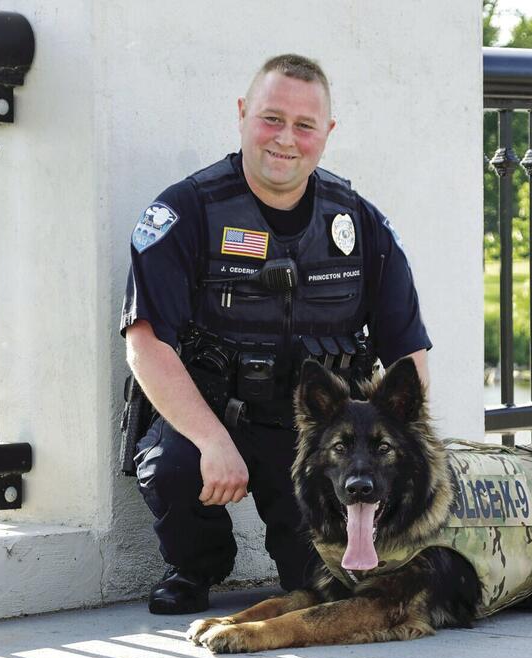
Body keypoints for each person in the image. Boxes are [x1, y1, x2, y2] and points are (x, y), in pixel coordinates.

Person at [120, 53, 431, 614]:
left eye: (305, 125)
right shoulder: (186, 211)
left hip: (318, 436)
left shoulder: (359, 222)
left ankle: (306, 561)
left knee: (315, 582)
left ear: (327, 133)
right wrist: (212, 441)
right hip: (216, 414)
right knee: (174, 467)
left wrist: (416, 447)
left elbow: (407, 348)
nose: (286, 139)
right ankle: (193, 567)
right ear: (242, 114)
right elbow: (145, 343)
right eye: (271, 118)